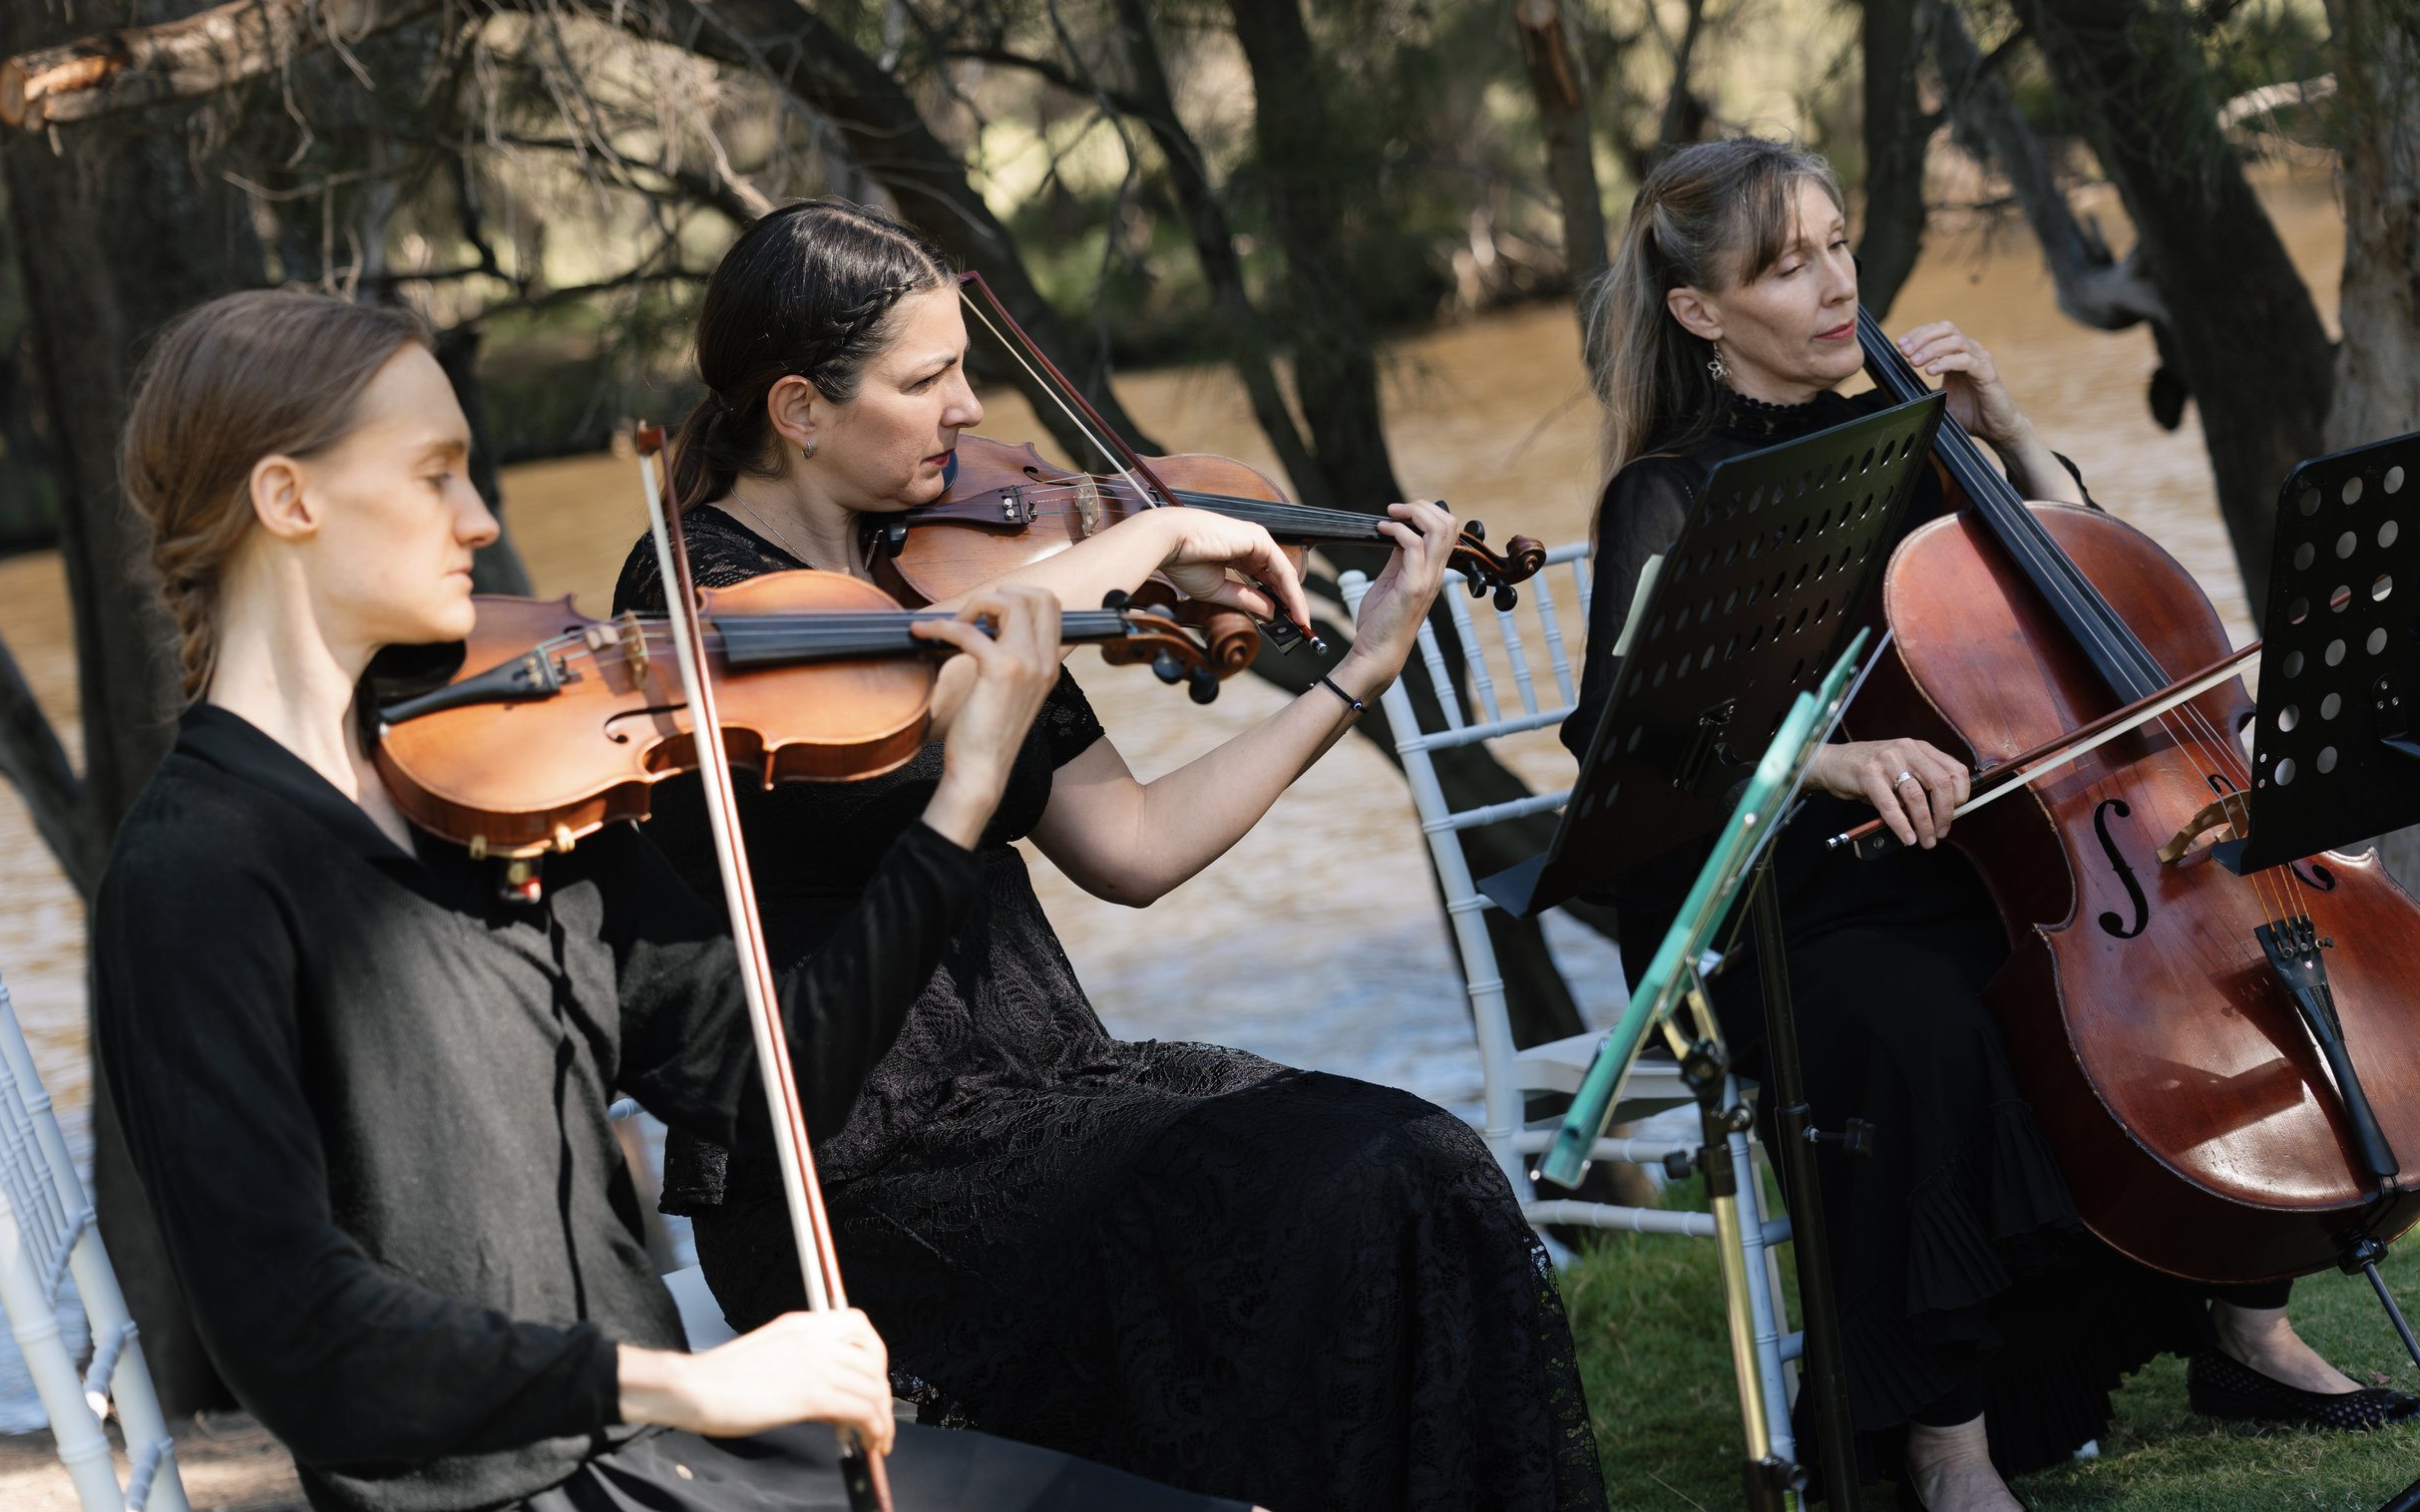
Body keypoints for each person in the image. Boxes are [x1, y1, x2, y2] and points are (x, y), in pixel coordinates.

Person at [94, 287, 1262, 1512]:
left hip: (668, 1465)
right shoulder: (196, 877)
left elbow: (771, 1082)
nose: (479, 518)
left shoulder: (502, 789)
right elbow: (297, 1342)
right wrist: (685, 1384)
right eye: (436, 473)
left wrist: (957, 803)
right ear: (291, 499)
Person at [609, 199, 1606, 1512]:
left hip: (1048, 1083)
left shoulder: (922, 572)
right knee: (1330, 1203)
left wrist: (1355, 673)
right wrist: (1144, 536)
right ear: (797, 408)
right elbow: (880, 668)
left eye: (967, 365)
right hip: (858, 1169)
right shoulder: (693, 601)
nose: (971, 408)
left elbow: (1129, 842)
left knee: (1416, 1160)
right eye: (927, 380)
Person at [1562, 138, 2418, 1512]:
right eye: (1786, 265)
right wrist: (1827, 758)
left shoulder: (1918, 439)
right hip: (1814, 893)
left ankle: (2247, 1330)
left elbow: (2103, 614)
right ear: (1699, 312)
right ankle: (1946, 1442)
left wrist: (2005, 431)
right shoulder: (1668, 493)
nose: (1837, 281)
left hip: (1995, 856)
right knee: (1925, 1027)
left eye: (1839, 242)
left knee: (2209, 967)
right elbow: (1629, 739)